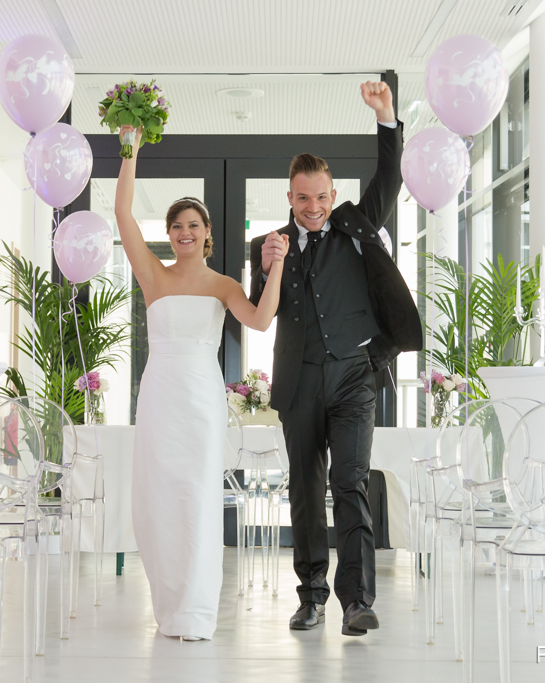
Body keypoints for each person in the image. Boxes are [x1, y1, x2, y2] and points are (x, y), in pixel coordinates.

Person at [248, 81, 422, 636]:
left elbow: (390, 177)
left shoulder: (355, 224)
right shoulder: (269, 245)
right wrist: (270, 264)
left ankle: (357, 601)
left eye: (322, 196)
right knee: (304, 488)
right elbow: (258, 312)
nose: (315, 207)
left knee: (349, 483)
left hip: (353, 378)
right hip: (298, 384)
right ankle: (312, 594)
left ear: (331, 192)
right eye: (304, 198)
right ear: (290, 197)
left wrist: (387, 116)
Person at [116, 125, 288, 641]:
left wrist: (275, 267)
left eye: (192, 225)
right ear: (168, 234)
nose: (183, 232)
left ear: (207, 232)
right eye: (175, 226)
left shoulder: (223, 284)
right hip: (161, 395)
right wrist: (131, 148)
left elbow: (259, 321)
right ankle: (168, 605)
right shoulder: (153, 275)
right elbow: (123, 214)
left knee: (196, 494)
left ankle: (195, 610)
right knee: (158, 499)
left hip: (201, 399)